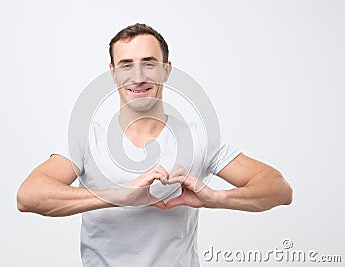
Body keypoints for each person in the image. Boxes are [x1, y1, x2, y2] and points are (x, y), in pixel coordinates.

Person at [17, 23, 292, 267]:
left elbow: (279, 189)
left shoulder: (198, 138)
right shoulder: (88, 139)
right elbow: (28, 196)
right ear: (113, 73)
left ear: (166, 70)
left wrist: (217, 198)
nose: (138, 76)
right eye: (126, 65)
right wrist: (117, 196)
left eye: (149, 63)